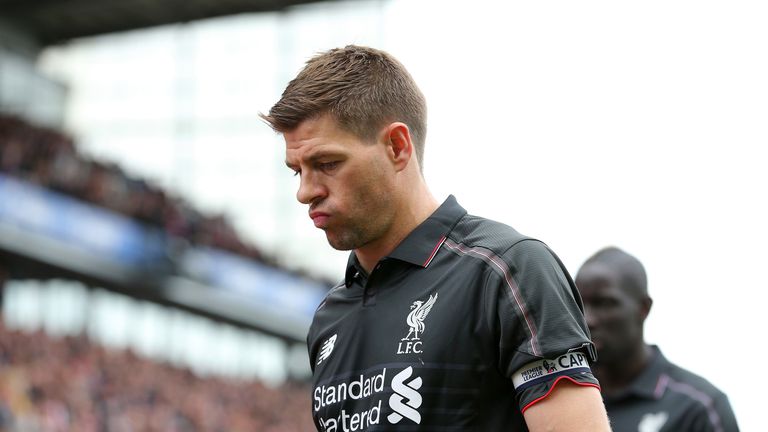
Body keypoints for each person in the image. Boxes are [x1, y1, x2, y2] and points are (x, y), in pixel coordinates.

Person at [261, 45, 610, 431]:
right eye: (297, 171)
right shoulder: (329, 316)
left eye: (327, 164)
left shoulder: (507, 270)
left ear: (397, 147)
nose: (305, 191)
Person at [574, 247, 739, 432]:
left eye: (604, 303)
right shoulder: (563, 396)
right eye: (577, 304)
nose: (587, 319)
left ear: (643, 308)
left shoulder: (698, 407)